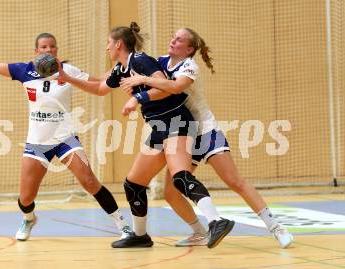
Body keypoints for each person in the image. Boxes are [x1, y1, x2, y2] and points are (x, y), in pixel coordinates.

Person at [0, 33, 132, 242]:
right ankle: (29, 218)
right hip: (37, 143)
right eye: (44, 47)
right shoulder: (24, 70)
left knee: (89, 180)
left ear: (56, 50)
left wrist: (125, 61)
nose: (48, 51)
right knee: (26, 197)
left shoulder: (68, 71)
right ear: (36, 51)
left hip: (65, 139)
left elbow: (100, 82)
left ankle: (123, 225)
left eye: (52, 47)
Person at [56, 22, 234, 249]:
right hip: (159, 126)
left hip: (178, 121)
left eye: (108, 44)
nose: (107, 48)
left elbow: (166, 86)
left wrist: (137, 98)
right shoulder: (122, 69)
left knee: (179, 177)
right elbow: (100, 88)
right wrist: (67, 77)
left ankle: (217, 221)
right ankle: (140, 236)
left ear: (118, 44)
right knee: (133, 184)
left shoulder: (141, 61)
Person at [119, 27, 294, 248]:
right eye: (173, 36)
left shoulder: (190, 66)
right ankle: (199, 232)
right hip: (180, 130)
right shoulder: (161, 62)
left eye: (179, 40)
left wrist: (141, 87)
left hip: (205, 130)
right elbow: (152, 83)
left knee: (234, 180)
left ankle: (276, 228)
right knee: (172, 191)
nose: (173, 41)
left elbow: (175, 87)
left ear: (190, 48)